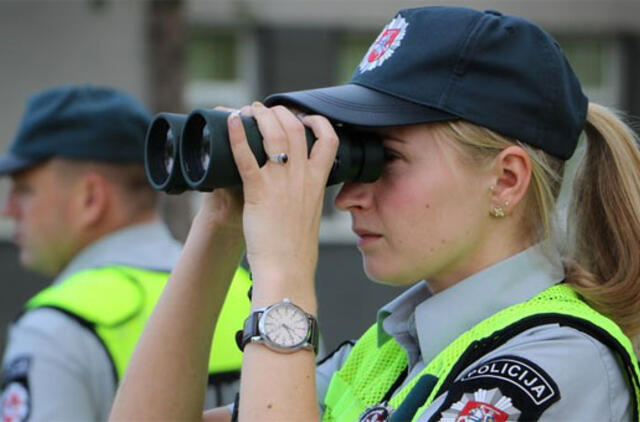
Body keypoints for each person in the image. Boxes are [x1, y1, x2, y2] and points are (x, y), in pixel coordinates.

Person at [110, 6, 640, 422]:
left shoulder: (557, 363)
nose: (346, 198)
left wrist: (285, 277)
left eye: (386, 159)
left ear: (505, 179)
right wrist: (220, 224)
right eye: (354, 158)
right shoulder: (390, 353)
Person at [0, 85, 252, 422]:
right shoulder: (254, 291)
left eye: (24, 191)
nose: (8, 209)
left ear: (90, 198)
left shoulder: (55, 328)